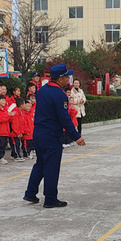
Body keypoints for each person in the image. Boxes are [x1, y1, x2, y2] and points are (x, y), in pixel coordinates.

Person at [23, 63, 86, 208]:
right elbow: (64, 118)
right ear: (60, 78)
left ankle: (30, 193)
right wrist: (76, 136)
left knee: (40, 163)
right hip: (51, 134)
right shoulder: (59, 94)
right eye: (67, 76)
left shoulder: (42, 91)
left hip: (38, 132)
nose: (69, 78)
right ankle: (50, 198)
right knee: (51, 166)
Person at [0, 94, 14, 164]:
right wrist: (8, 115)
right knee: (0, 144)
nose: (4, 102)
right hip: (0, 130)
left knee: (4, 144)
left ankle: (1, 157)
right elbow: (0, 119)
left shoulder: (6, 109)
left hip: (5, 129)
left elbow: (8, 119)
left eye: (4, 100)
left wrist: (10, 115)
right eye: (2, 100)